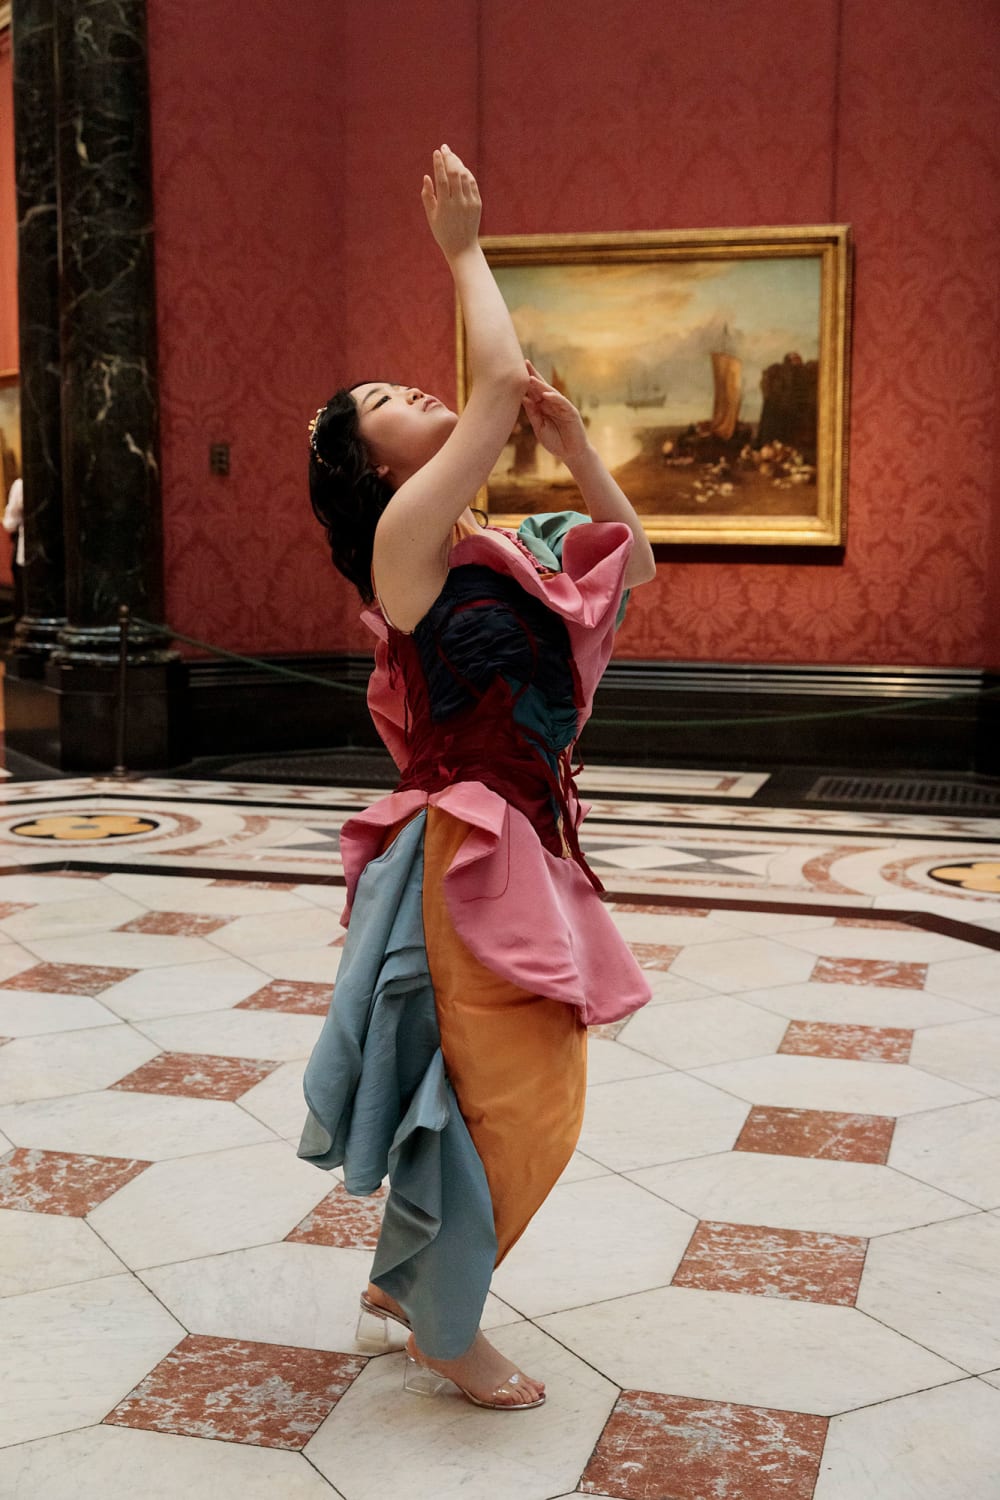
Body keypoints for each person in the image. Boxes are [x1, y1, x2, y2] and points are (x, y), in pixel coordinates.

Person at [298, 146, 657, 1411]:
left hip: (523, 842)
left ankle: (409, 1287)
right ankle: (447, 1327)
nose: (417, 389)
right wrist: (462, 246)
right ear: (371, 467)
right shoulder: (403, 546)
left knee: (512, 1091)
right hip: (469, 850)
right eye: (387, 399)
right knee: (519, 1099)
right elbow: (497, 381)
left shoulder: (495, 547)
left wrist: (577, 445)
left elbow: (634, 564)